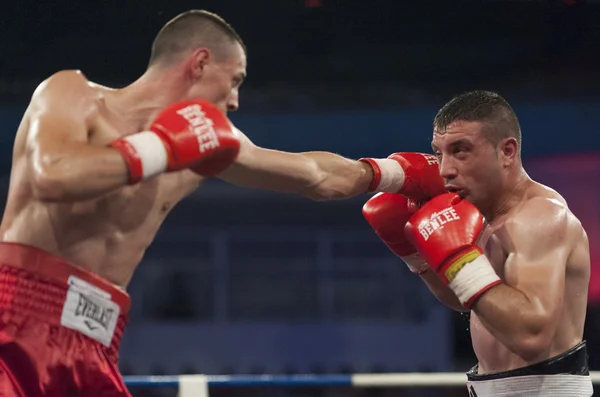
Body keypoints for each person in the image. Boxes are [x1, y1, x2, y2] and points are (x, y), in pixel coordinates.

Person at [0, 9, 446, 397]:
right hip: (14, 317)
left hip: (94, 340)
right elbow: (52, 175)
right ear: (199, 63)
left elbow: (314, 175)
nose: (234, 100)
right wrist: (160, 148)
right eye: (234, 81)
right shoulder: (73, 95)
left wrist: (395, 173)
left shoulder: (207, 147)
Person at [363, 90, 592, 396]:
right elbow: (469, 300)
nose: (445, 169)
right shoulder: (482, 216)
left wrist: (459, 259)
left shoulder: (538, 217)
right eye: (439, 152)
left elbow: (531, 335)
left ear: (507, 152)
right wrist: (416, 256)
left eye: (461, 150)